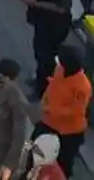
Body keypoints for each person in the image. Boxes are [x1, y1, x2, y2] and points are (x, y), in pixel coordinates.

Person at [31, 43, 91, 176]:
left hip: (67, 131)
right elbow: (53, 85)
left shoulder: (83, 87)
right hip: (48, 122)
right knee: (35, 150)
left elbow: (75, 111)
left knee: (63, 164)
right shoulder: (60, 69)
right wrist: (44, 101)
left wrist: (49, 109)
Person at [22, 0, 75, 98]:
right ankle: (40, 80)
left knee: (47, 58)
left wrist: (36, 3)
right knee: (39, 53)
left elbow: (60, 8)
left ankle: (43, 89)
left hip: (55, 25)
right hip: (42, 22)